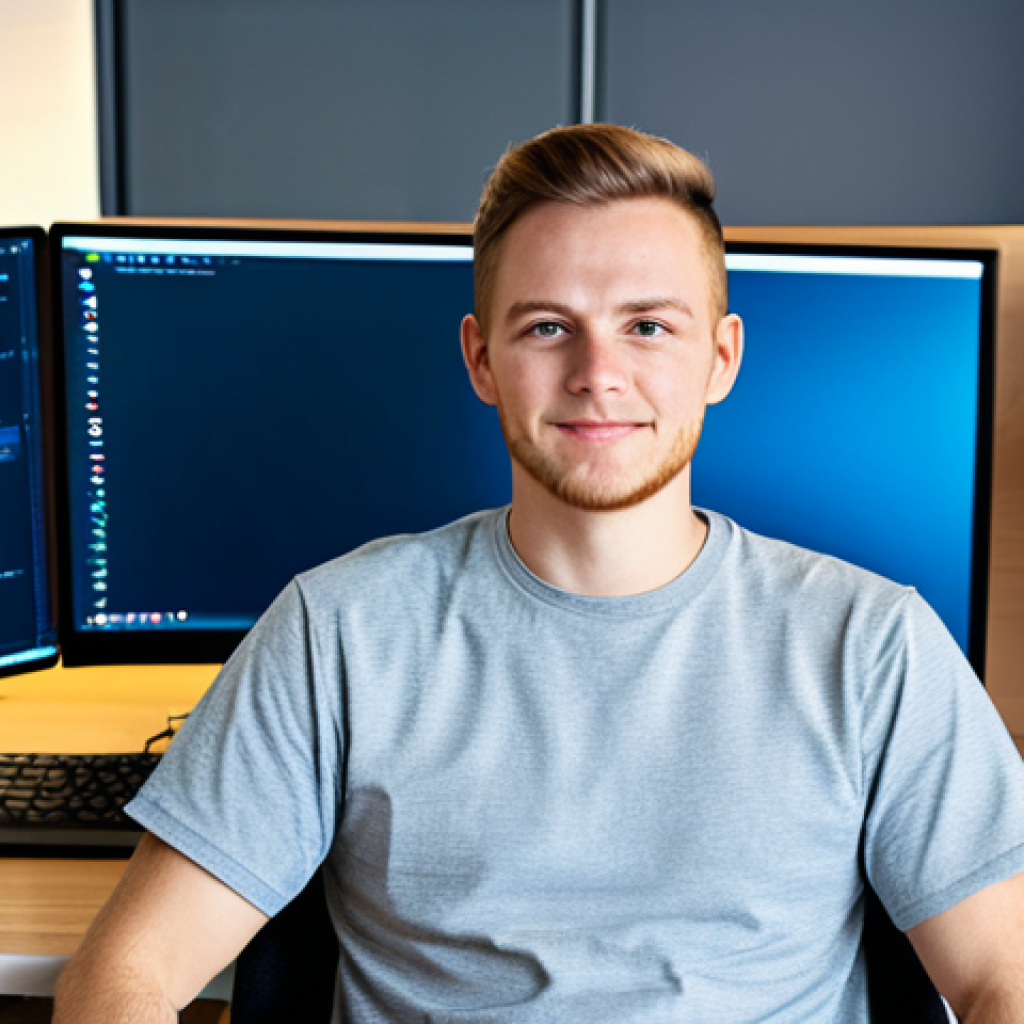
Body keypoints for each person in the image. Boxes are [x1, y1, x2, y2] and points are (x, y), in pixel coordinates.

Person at [54, 124, 1024, 1024]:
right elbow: (124, 975)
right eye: (548, 327)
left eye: (648, 326)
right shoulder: (337, 631)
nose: (597, 372)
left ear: (720, 358)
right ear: (481, 359)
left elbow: (1002, 977)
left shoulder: (873, 644)